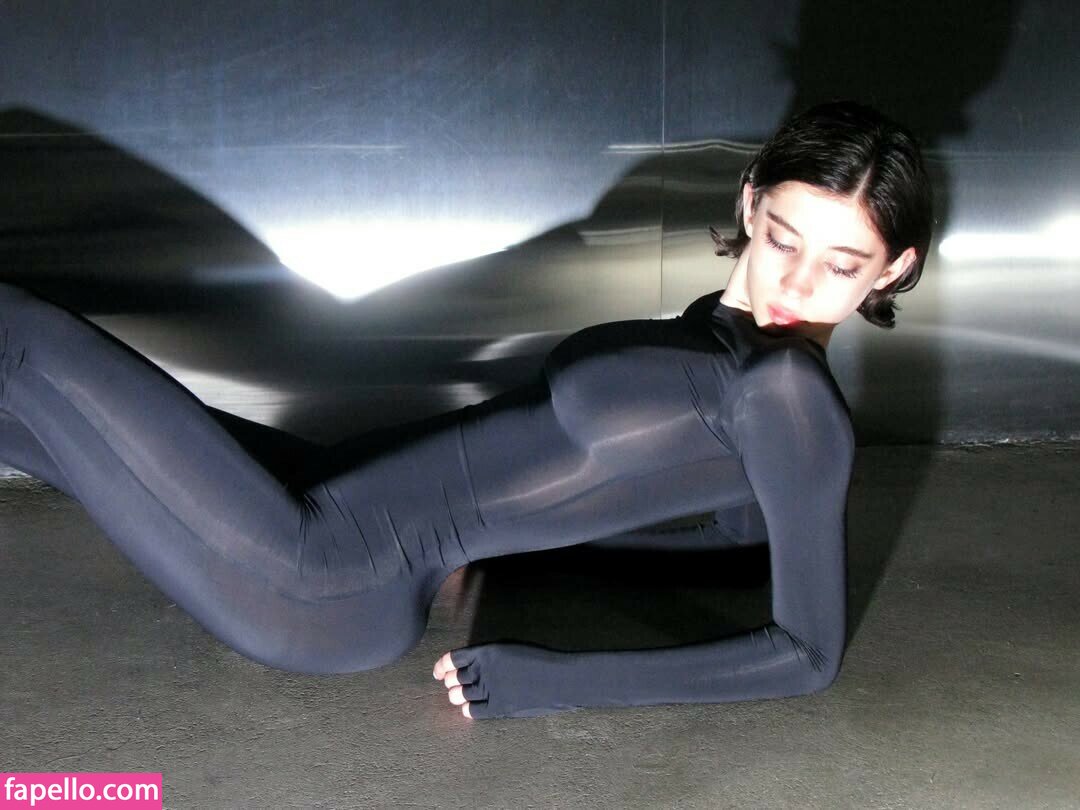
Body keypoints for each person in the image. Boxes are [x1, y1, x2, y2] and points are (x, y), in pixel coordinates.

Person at [0, 99, 932, 719]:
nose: (795, 285)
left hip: (318, 569)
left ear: (893, 270)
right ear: (752, 200)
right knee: (25, 420)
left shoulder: (789, 395)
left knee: (21, 337)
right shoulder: (726, 337)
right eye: (783, 241)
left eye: (841, 266)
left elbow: (806, 654)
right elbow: (728, 538)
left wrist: (552, 680)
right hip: (325, 494)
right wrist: (507, 550)